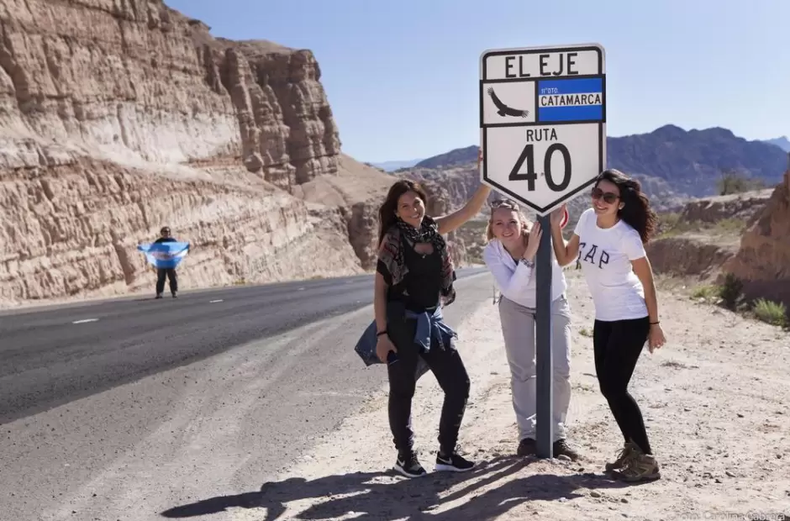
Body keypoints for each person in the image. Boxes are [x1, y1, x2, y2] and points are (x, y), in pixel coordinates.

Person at [549, 169, 667, 482]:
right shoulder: (587, 219)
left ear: (620, 203)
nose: (600, 201)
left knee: (615, 387)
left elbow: (648, 282)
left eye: (608, 197)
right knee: (608, 387)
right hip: (604, 318)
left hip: (631, 317)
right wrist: (551, 225)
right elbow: (564, 258)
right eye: (597, 194)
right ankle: (634, 450)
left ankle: (646, 459)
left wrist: (654, 325)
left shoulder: (626, 236)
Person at [374, 178, 491, 478]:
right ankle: (405, 457)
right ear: (396, 212)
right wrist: (382, 335)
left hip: (432, 321)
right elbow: (379, 291)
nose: (413, 209)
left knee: (458, 385)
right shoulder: (393, 239)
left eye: (416, 202)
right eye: (405, 206)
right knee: (403, 391)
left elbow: (469, 211)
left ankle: (446, 455)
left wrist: (488, 178)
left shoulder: (433, 230)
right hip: (401, 325)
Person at [482, 199, 579, 460]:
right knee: (523, 371)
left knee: (561, 368)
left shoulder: (542, 236)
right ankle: (528, 435)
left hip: (553, 301)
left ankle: (557, 436)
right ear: (491, 227)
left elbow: (566, 258)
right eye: (499, 223)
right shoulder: (492, 251)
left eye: (512, 221)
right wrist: (529, 254)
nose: (506, 228)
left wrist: (548, 233)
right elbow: (512, 290)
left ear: (521, 222)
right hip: (516, 307)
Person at [154, 226, 179, 299]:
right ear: (162, 233)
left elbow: (177, 250)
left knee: (172, 277)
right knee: (161, 278)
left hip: (170, 262)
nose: (166, 233)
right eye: (165, 231)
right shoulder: (158, 242)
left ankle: (174, 291)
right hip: (161, 262)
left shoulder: (173, 241)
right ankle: (159, 293)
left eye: (168, 231)